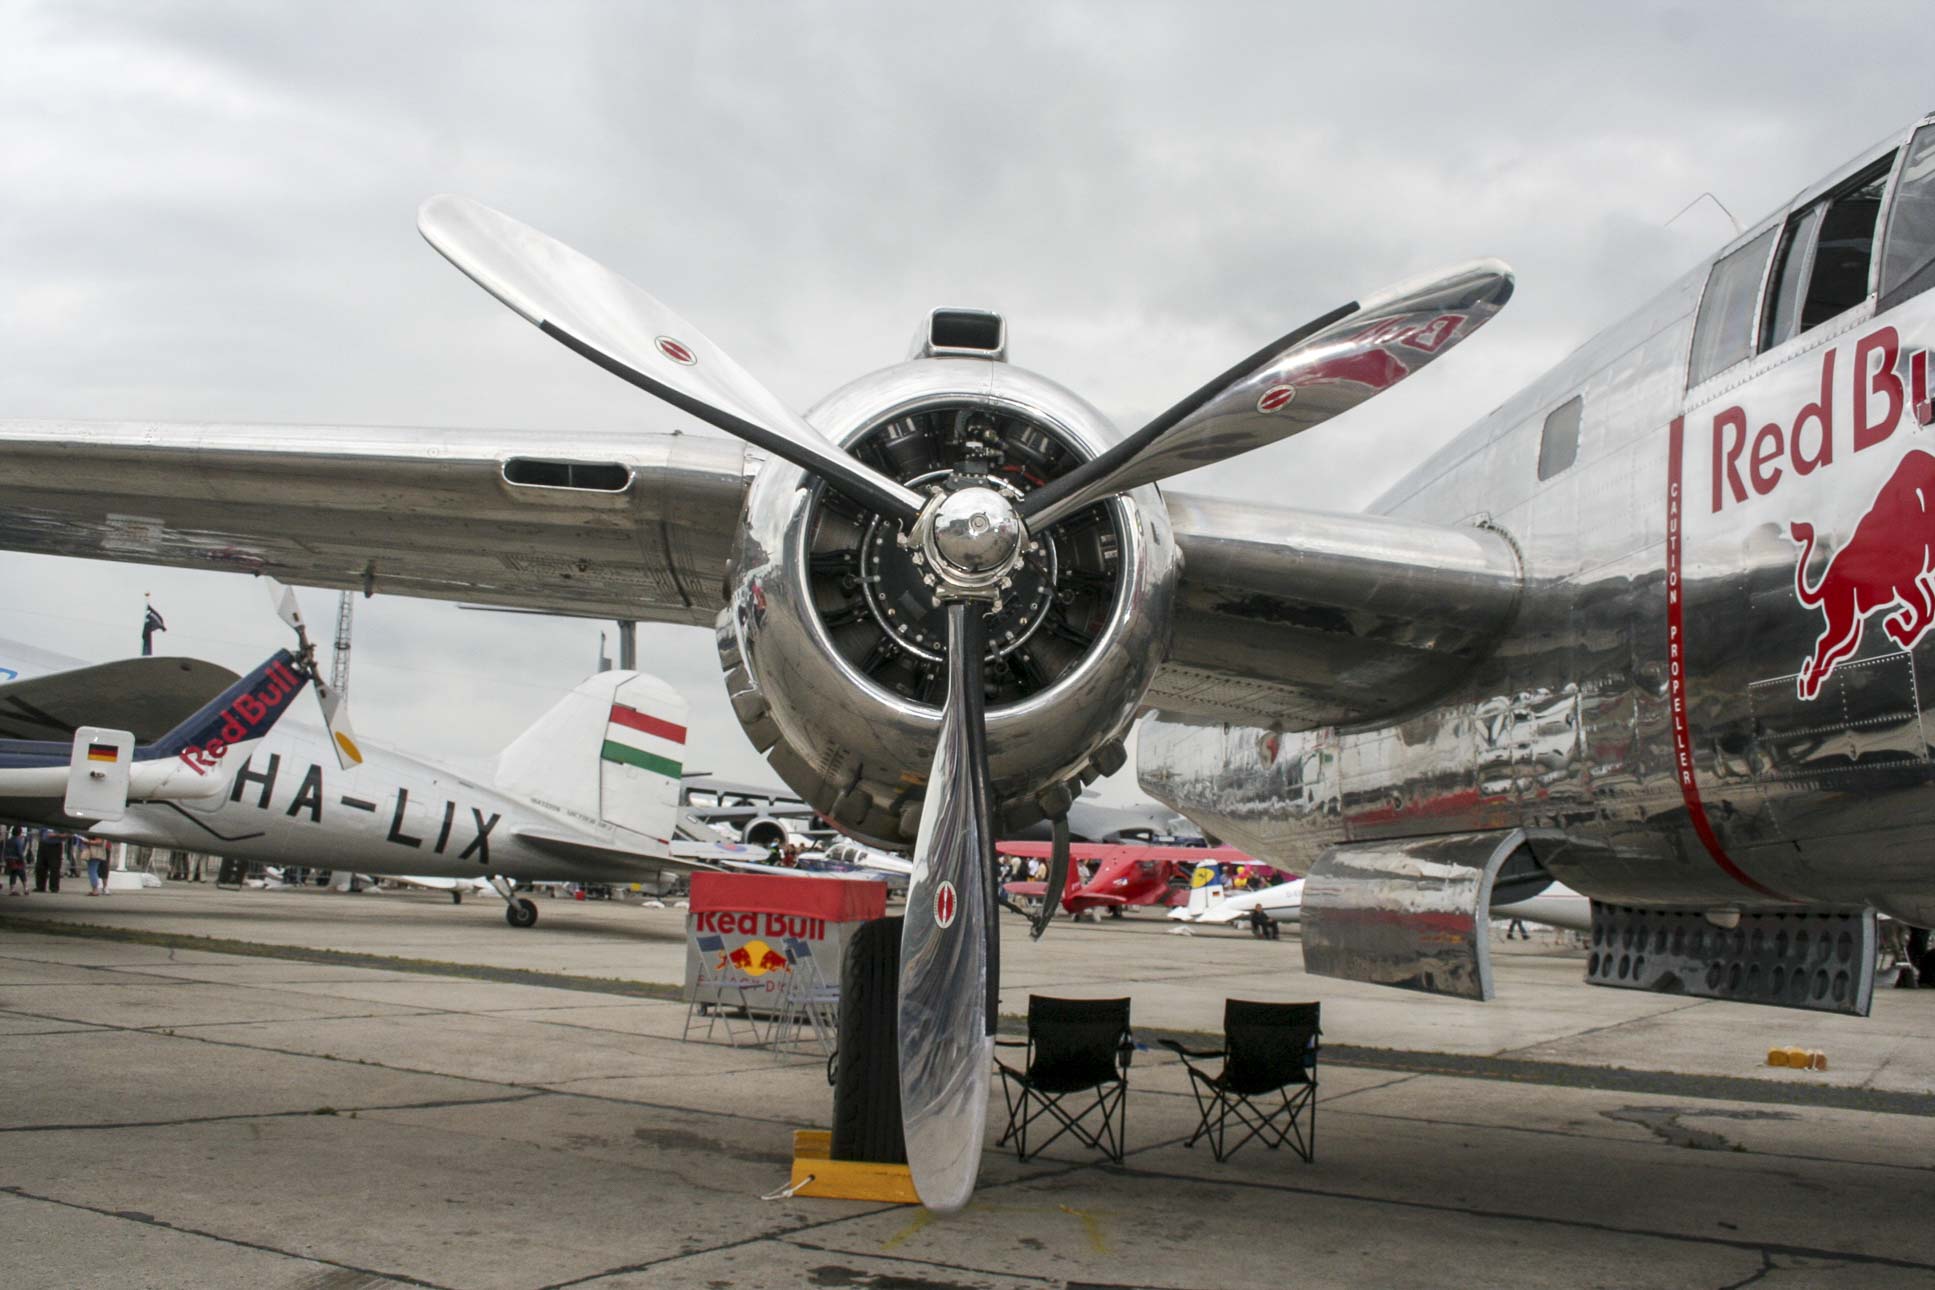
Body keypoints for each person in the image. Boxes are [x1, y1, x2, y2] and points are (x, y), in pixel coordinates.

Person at [4, 828, 28, 895]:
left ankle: (12, 889)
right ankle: (25, 889)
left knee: (13, 874)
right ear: (20, 833)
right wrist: (23, 860)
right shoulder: (18, 841)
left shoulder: (8, 840)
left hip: (9, 859)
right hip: (16, 859)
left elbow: (5, 850)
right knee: (22, 874)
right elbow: (20, 852)